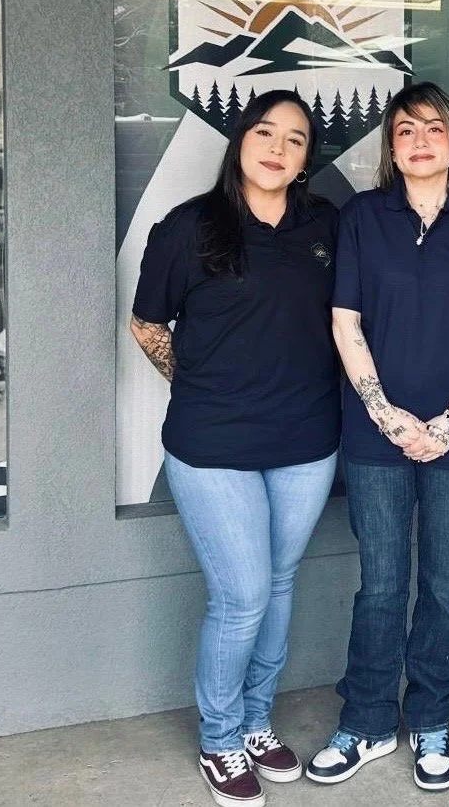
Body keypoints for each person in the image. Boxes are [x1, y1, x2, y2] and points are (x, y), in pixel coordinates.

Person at [305, 82, 449, 793]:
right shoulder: (361, 218)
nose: (420, 139)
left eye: (434, 127)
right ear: (390, 145)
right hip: (376, 436)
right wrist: (386, 414)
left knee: (441, 582)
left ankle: (430, 716)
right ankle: (368, 719)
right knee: (380, 583)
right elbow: (346, 322)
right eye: (405, 129)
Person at [131, 88, 340, 807]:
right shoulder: (188, 228)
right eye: (265, 131)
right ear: (240, 139)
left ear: (307, 157)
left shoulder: (325, 226)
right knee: (242, 594)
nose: (277, 146)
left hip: (307, 438)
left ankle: (255, 720)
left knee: (278, 582)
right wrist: (199, 385)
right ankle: (218, 737)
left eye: (295, 138)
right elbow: (147, 324)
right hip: (212, 441)